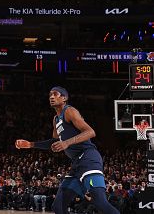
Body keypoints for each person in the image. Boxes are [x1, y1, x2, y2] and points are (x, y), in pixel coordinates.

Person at [15, 86, 120, 214]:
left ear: (64, 98)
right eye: (50, 95)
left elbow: (90, 132)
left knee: (100, 202)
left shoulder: (69, 111)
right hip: (76, 164)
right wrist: (30, 144)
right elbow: (55, 142)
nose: (51, 97)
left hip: (88, 158)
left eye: (55, 94)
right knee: (58, 206)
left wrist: (67, 143)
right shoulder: (55, 119)